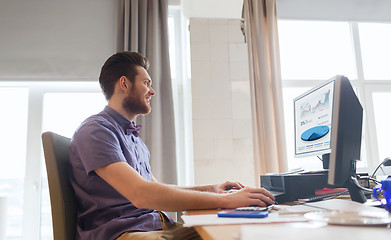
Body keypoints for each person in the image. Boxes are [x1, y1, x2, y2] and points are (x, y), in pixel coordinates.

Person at [69, 51, 275, 240]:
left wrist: (212, 190)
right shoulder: (96, 131)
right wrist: (227, 201)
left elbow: (155, 188)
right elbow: (142, 195)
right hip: (123, 233)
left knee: (241, 231)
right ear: (124, 84)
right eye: (146, 83)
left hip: (155, 227)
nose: (152, 91)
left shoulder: (133, 138)